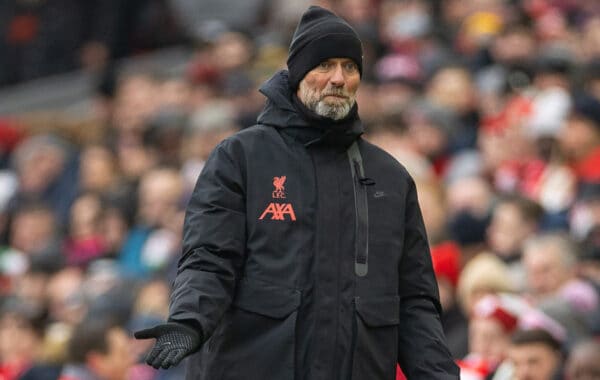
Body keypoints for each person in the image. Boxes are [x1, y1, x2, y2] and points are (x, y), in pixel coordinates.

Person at [134, 5, 459, 379]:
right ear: (297, 73)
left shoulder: (391, 177)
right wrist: (189, 320)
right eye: (325, 65)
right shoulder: (240, 157)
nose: (338, 78)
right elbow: (209, 258)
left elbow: (415, 301)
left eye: (350, 67)